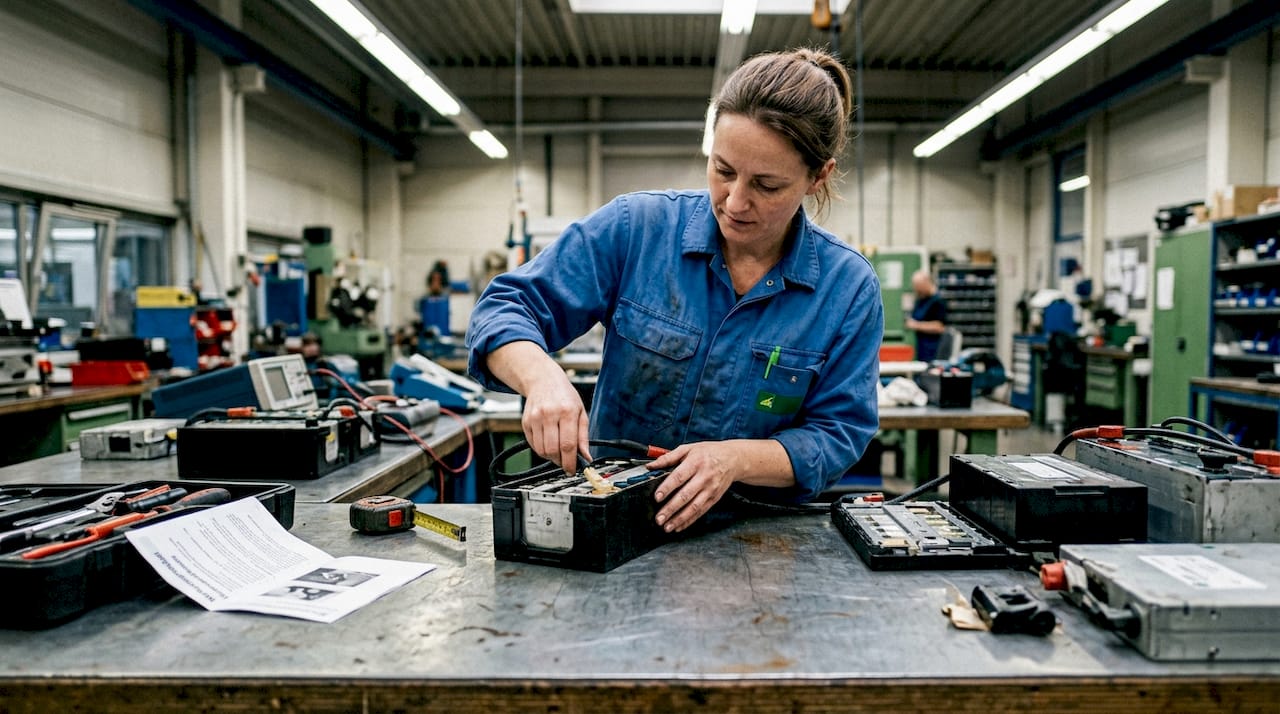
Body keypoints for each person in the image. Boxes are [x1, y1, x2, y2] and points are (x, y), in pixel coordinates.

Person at [466, 48, 883, 534]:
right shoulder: (637, 229)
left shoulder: (848, 289)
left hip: (756, 540)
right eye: (723, 171)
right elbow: (505, 308)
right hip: (615, 524)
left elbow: (838, 434)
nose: (735, 201)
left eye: (767, 185)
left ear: (818, 177)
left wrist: (736, 460)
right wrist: (540, 378)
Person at [905, 269, 947, 362]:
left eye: (918, 286)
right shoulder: (921, 299)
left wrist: (916, 325)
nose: (917, 289)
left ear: (926, 282)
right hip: (921, 347)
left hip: (933, 349)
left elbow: (939, 327)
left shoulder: (938, 301)